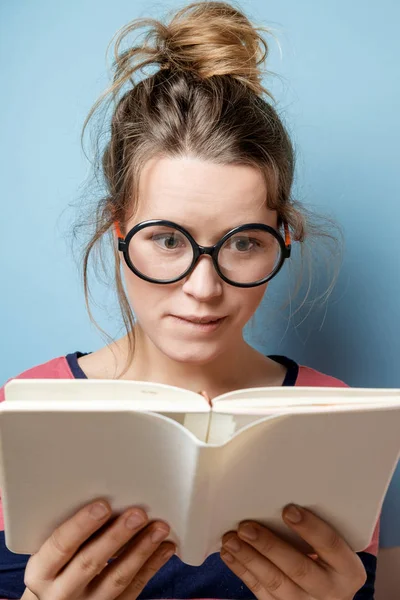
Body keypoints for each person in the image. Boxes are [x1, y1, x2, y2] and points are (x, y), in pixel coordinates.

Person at [0, 2, 380, 598]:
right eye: (167, 240)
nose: (204, 290)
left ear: (285, 237)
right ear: (118, 229)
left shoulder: (339, 418)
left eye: (245, 243)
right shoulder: (22, 409)